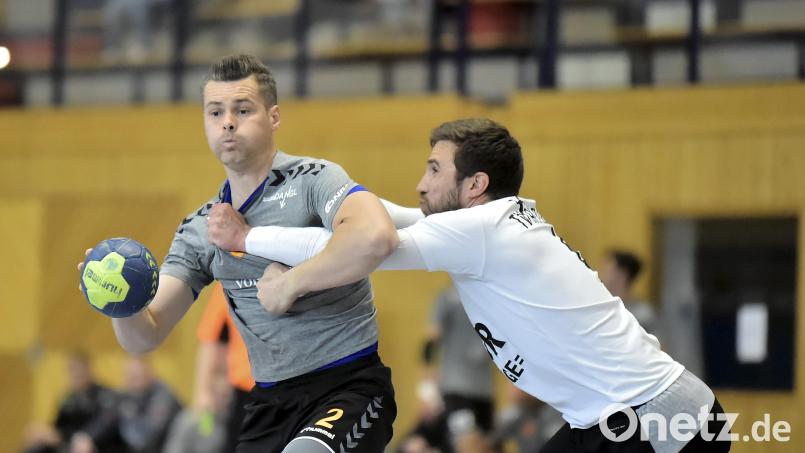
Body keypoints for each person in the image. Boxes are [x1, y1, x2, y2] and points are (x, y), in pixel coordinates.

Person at [213, 118, 732, 452]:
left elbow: (370, 245)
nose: (421, 182)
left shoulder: (482, 231)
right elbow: (384, 218)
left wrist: (248, 236)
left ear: (475, 185)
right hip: (608, 421)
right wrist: (334, 192)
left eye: (435, 169)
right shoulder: (493, 225)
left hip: (657, 415)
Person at [76, 54, 398, 453]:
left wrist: (290, 284)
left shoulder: (316, 180)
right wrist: (119, 303)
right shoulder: (200, 229)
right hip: (265, 405)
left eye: (242, 109)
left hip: (348, 388)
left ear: (274, 117)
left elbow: (376, 237)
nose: (228, 121)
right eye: (216, 112)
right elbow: (147, 333)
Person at [401, 286, 495, 453]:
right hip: (456, 389)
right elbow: (431, 342)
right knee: (466, 443)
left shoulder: (493, 298)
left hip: (484, 390)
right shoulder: (449, 298)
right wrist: (426, 390)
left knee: (486, 446)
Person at [22, 352, 124, 453]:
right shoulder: (68, 399)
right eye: (73, 370)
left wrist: (86, 437)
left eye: (80, 370)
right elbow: (60, 427)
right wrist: (46, 434)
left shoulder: (105, 395)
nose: (77, 374)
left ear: (89, 370)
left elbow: (106, 423)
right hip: (70, 445)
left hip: (98, 445)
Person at [194, 283, 254, 453]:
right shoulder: (229, 279)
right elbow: (212, 339)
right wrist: (204, 391)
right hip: (247, 391)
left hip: (296, 388)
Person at [117, 355, 183, 453]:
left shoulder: (163, 394)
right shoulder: (127, 396)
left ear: (150, 373)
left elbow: (145, 438)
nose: (134, 380)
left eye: (138, 375)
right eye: (130, 375)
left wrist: (126, 420)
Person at [599, 250, 661, 338]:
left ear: (622, 274)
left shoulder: (643, 314)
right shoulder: (600, 307)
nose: (600, 273)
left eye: (607, 269)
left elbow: (658, 348)